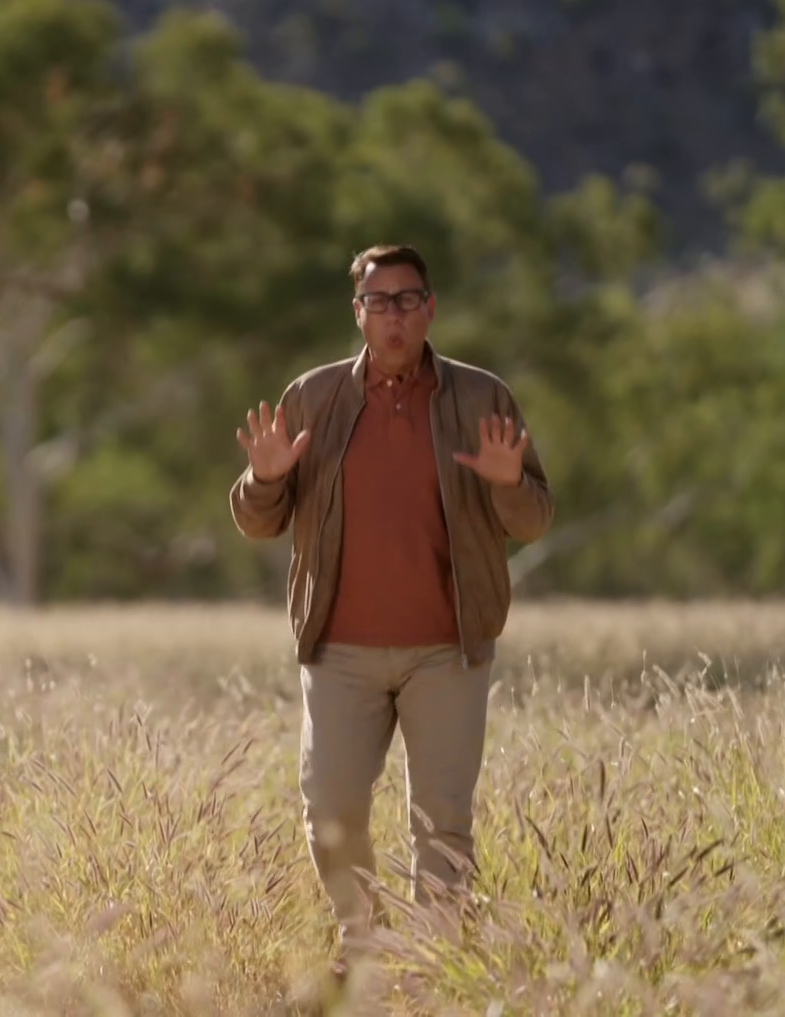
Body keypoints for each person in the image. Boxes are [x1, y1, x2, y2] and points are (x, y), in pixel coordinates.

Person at [228, 243, 554, 973]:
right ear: (358, 313)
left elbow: (534, 520)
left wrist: (508, 484)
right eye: (379, 302)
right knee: (332, 810)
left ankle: (434, 966)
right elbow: (257, 522)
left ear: (430, 309)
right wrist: (264, 479)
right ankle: (364, 944)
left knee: (443, 825)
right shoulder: (313, 397)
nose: (394, 315)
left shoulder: (482, 398)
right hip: (339, 650)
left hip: (449, 649)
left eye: (408, 300)